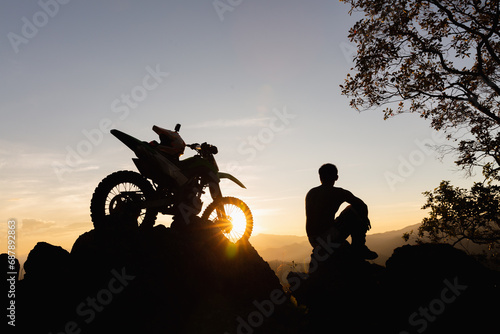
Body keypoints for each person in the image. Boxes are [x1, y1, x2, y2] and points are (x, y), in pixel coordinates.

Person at [306, 163, 378, 260]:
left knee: (350, 209)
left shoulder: (311, 193)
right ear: (336, 177)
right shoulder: (339, 192)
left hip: (313, 240)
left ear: (320, 177)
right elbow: (361, 205)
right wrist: (364, 218)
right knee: (353, 210)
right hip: (327, 238)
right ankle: (359, 247)